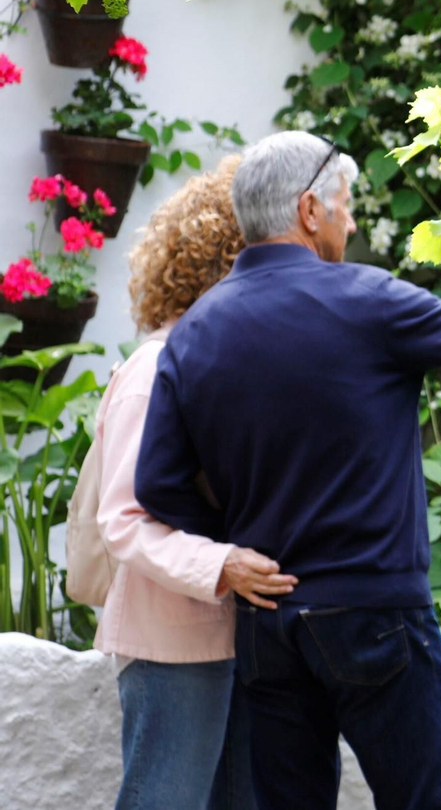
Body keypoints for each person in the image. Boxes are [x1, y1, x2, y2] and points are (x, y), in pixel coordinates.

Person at [134, 131, 441, 810]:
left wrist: (234, 541)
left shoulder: (194, 332)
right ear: (310, 210)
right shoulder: (367, 299)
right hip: (376, 613)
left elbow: (157, 485)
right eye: (347, 203)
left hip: (270, 622)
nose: (354, 218)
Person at [91, 155, 298, 810]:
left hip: (232, 638)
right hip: (171, 645)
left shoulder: (218, 361)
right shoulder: (156, 368)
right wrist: (224, 565)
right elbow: (121, 519)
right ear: (221, 267)